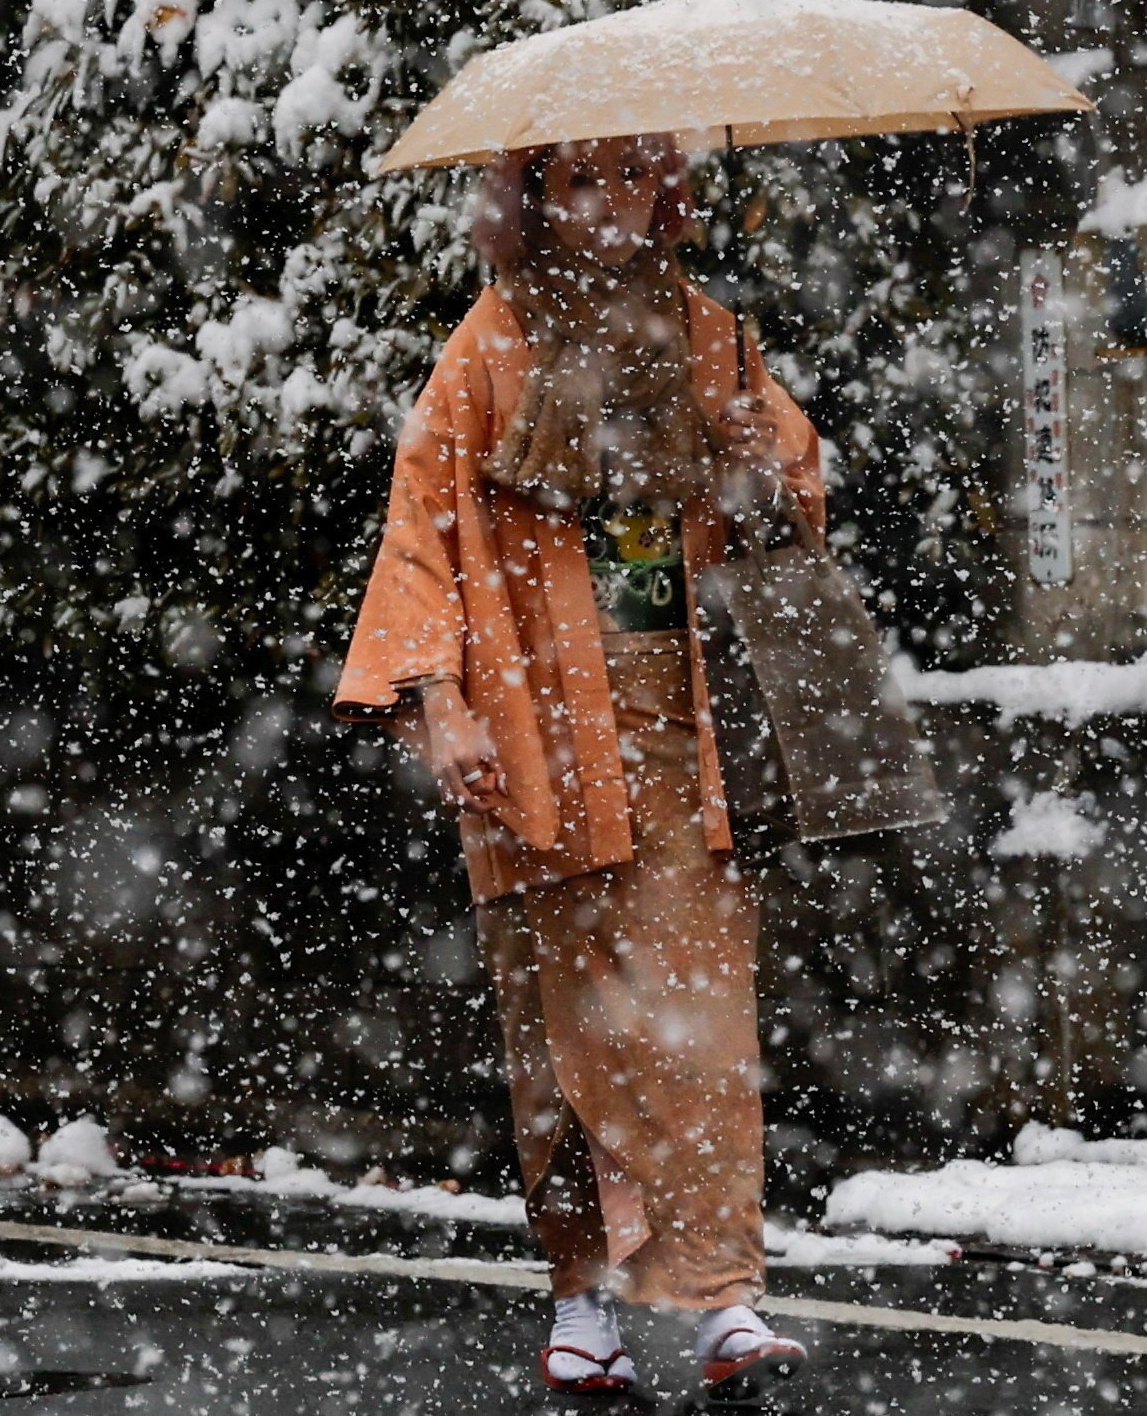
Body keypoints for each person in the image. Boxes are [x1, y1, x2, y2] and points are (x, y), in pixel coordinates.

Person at [333, 134, 822, 1402]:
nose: (608, 203)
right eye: (576, 179)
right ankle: (582, 1295)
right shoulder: (488, 346)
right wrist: (439, 702)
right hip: (536, 729)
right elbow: (420, 530)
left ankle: (722, 1295)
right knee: (555, 1028)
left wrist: (749, 451)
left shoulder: (711, 335)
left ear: (669, 187)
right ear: (531, 199)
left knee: (702, 1020)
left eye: (630, 175)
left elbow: (791, 507)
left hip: (686, 726)